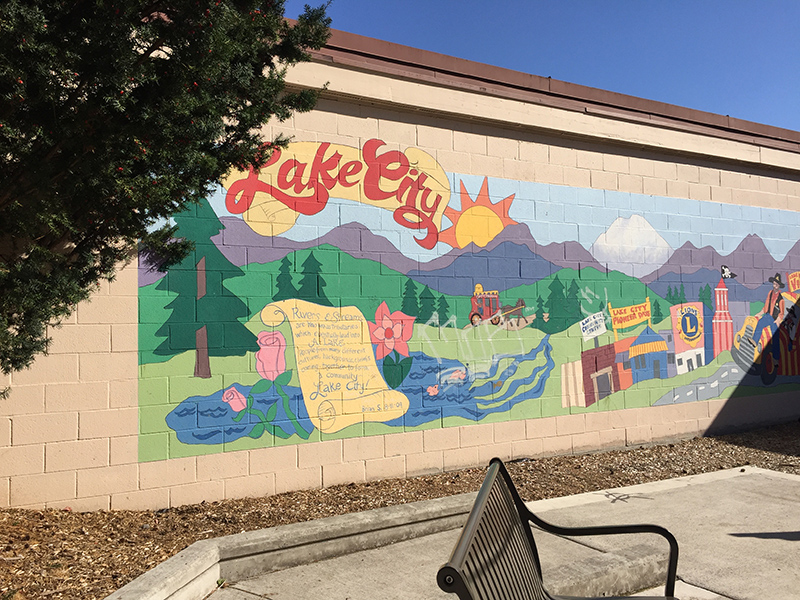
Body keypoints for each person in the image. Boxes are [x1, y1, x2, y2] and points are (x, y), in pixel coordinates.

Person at [751, 273, 786, 362]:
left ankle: (776, 358)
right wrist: (760, 313)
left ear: (779, 286)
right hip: (768, 316)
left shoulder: (781, 299)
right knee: (760, 323)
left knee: (775, 339)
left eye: (777, 284)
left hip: (774, 320)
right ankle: (755, 340)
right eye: (774, 284)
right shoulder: (770, 293)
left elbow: (781, 312)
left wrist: (778, 319)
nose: (775, 286)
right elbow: (766, 306)